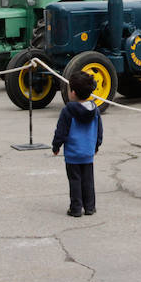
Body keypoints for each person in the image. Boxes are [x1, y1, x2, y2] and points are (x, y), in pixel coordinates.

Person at [52, 71, 103, 218]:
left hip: (73, 153)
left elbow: (61, 131)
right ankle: (90, 207)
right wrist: (97, 145)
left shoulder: (68, 110)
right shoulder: (95, 109)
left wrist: (56, 146)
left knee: (75, 180)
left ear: (73, 92)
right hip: (88, 151)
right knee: (88, 180)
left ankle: (75, 208)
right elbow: (99, 130)